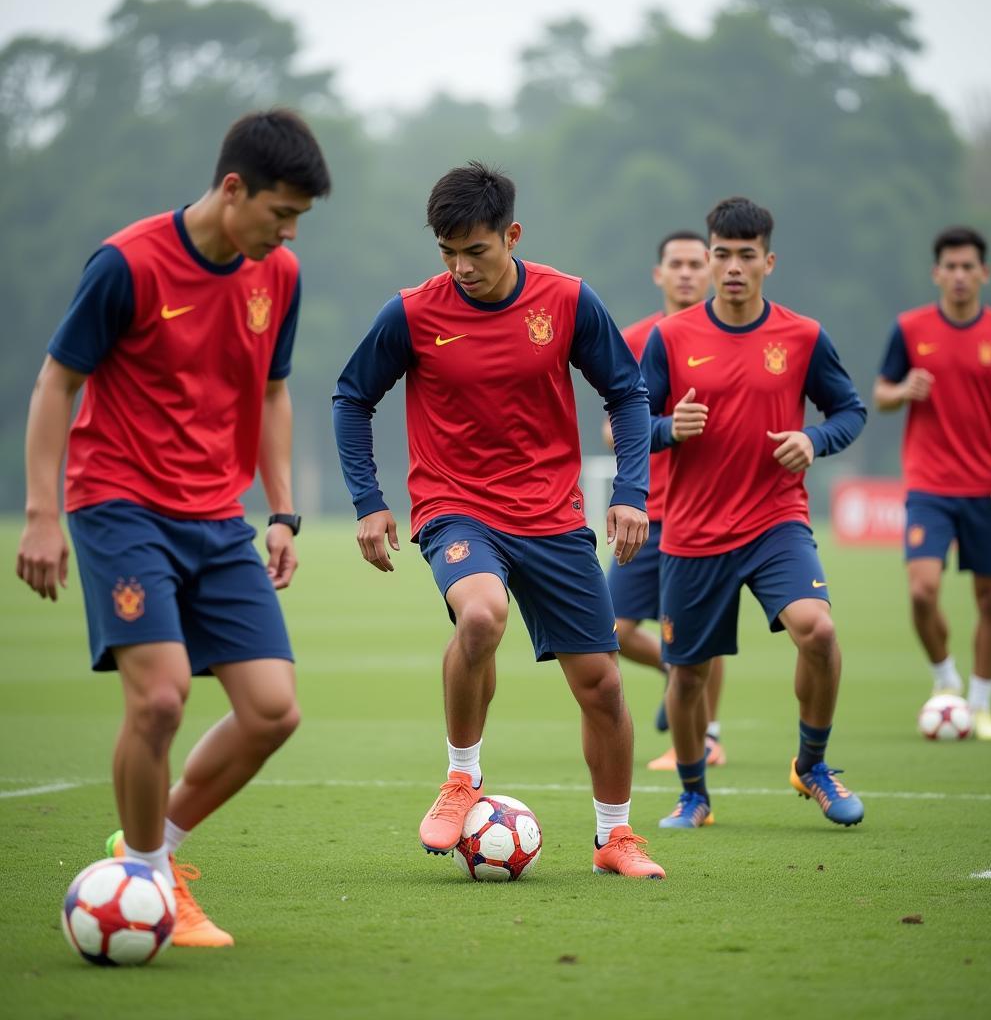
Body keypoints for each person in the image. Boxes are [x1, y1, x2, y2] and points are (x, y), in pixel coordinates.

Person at [15, 109, 331, 945]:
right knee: (159, 699)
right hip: (118, 505)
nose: (288, 231)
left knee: (272, 712)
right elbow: (56, 383)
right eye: (280, 212)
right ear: (234, 189)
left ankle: (149, 852)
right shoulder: (127, 264)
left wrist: (283, 511)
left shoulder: (281, 276)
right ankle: (148, 882)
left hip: (216, 516)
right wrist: (41, 513)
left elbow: (270, 392)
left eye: (299, 217)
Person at [333, 161, 665, 879]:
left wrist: (631, 491)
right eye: (446, 253)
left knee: (602, 686)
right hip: (456, 506)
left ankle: (615, 837)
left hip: (550, 513)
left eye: (475, 251)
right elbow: (352, 397)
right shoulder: (413, 313)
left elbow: (628, 394)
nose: (460, 268)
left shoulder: (568, 301)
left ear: (511, 235)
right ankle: (461, 778)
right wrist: (369, 502)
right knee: (480, 618)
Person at [640, 196, 867, 830]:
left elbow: (849, 411)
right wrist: (667, 428)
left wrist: (814, 440)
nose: (732, 266)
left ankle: (813, 765)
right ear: (709, 259)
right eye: (722, 254)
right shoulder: (671, 337)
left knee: (818, 632)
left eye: (746, 255)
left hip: (776, 522)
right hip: (693, 532)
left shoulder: (802, 336)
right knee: (686, 677)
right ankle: (693, 795)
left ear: (769, 260)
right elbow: (630, 422)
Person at [874, 226, 991, 739]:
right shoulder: (910, 328)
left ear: (983, 273)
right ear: (937, 273)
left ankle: (980, 705)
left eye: (968, 267)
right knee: (922, 591)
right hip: (929, 485)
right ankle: (945, 680)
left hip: (988, 486)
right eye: (950, 267)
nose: (959, 276)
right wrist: (903, 390)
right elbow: (880, 394)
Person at [599, 232, 726, 771]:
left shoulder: (731, 337)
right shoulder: (633, 339)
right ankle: (678, 677)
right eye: (675, 264)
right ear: (659, 274)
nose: (686, 273)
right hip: (648, 509)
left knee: (703, 630)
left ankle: (706, 736)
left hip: (712, 509)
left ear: (713, 270)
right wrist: (668, 429)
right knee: (612, 628)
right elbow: (611, 430)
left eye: (697, 264)